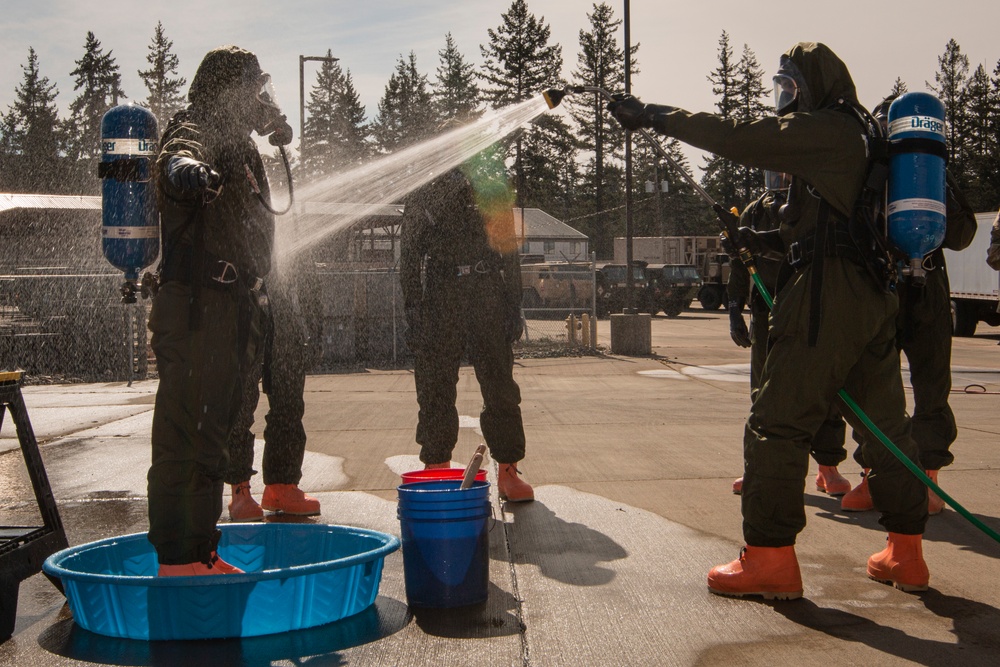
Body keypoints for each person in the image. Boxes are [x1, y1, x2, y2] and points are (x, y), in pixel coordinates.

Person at [609, 42, 929, 598]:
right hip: (871, 294)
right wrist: (761, 238)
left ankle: (769, 559)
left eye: (788, 89)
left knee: (776, 421)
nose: (783, 102)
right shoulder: (859, 136)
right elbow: (830, 224)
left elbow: (738, 137)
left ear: (810, 86)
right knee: (884, 428)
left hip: (828, 296)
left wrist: (654, 115)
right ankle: (907, 553)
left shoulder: (826, 128)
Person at [148, 45, 292, 576]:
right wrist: (187, 170)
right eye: (253, 90)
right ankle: (181, 557)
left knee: (211, 430)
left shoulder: (240, 144)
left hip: (229, 307)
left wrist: (273, 127)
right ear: (229, 92)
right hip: (197, 307)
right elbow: (175, 154)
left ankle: (196, 552)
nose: (261, 99)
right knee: (187, 431)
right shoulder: (197, 125)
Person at [839, 98, 978, 514]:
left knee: (891, 386)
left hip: (897, 289)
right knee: (918, 385)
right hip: (916, 287)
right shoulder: (890, 175)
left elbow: (961, 232)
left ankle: (907, 480)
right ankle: (897, 479)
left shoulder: (915, 174)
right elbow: (964, 235)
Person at [400, 148, 533, 503]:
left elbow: (509, 249)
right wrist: (414, 311)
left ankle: (508, 469)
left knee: (500, 385)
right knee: (435, 387)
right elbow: (409, 256)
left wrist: (512, 304)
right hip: (442, 295)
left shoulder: (490, 188)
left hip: (487, 291)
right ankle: (437, 467)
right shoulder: (425, 191)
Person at [727, 175, 851, 498]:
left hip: (807, 310)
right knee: (762, 392)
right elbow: (739, 266)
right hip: (765, 313)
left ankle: (828, 467)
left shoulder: (811, 205)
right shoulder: (752, 212)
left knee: (823, 389)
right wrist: (733, 309)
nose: (779, 177)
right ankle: (756, 467)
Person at [225, 263, 321, 521]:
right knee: (242, 402)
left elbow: (307, 268)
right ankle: (239, 487)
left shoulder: (294, 228)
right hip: (244, 300)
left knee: (289, 398)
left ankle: (282, 485)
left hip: (282, 308)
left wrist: (314, 324)